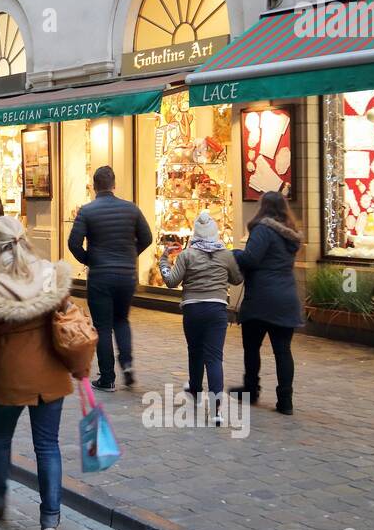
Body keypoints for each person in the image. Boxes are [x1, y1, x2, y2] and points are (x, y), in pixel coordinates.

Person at [0, 216, 81, 530]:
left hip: (10, 377)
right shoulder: (49, 275)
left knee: (0, 439)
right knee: (48, 446)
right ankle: (50, 521)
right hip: (50, 376)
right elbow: (67, 321)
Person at [67, 165, 151, 391]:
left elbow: (73, 243)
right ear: (114, 185)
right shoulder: (131, 209)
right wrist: (131, 254)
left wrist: (88, 259)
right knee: (121, 320)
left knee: (103, 326)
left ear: (94, 186)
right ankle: (128, 365)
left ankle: (107, 377)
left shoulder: (87, 211)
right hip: (126, 276)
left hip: (100, 276)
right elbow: (147, 237)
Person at [159, 211, 243, 425]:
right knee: (214, 358)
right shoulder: (225, 255)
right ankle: (216, 411)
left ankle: (195, 390)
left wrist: (164, 260)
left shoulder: (187, 255)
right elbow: (237, 278)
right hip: (217, 309)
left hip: (193, 309)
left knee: (195, 351)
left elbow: (170, 281)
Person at [231, 191, 303, 416]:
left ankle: (251, 389)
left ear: (263, 207)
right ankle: (286, 400)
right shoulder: (290, 234)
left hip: (262, 299)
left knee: (252, 347)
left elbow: (251, 258)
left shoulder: (263, 229)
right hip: (286, 297)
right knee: (283, 351)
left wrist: (231, 253)